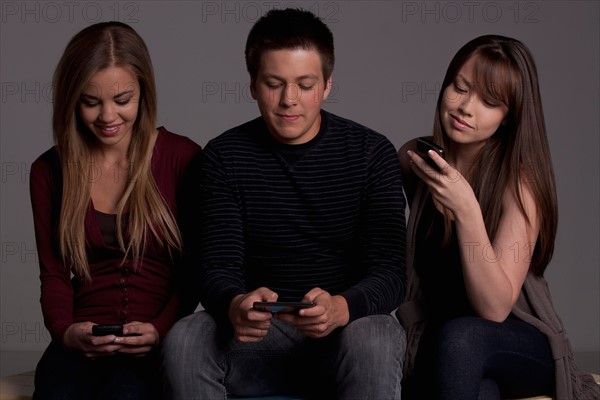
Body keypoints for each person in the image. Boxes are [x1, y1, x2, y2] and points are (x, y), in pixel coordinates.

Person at [162, 8, 407, 400]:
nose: (288, 100)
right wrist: (235, 302)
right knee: (188, 337)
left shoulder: (371, 153)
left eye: (305, 85)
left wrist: (342, 307)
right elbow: (215, 266)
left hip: (346, 337)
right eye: (274, 84)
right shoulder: (224, 157)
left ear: (327, 85)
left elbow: (392, 272)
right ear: (253, 86)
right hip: (258, 339)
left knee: (377, 333)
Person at [396, 35, 600, 400]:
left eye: (490, 102)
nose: (465, 108)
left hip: (517, 342)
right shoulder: (415, 160)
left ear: (509, 118)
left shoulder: (520, 185)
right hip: (444, 339)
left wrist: (467, 209)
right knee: (478, 387)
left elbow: (494, 308)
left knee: (463, 337)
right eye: (459, 88)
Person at [29, 21, 201, 399]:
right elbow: (54, 273)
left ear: (144, 92)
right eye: (91, 102)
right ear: (72, 99)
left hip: (157, 343)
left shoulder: (183, 158)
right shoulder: (48, 171)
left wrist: (161, 328)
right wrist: (66, 332)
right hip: (79, 344)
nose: (108, 117)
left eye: (122, 100)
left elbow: (194, 270)